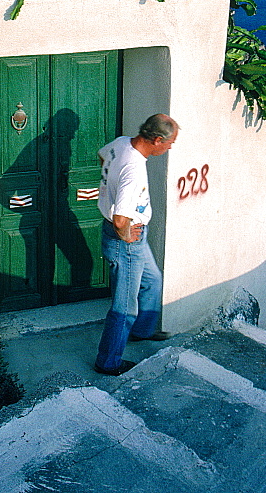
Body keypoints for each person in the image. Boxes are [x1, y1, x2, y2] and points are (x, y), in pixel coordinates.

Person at [94, 113, 179, 376]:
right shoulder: (133, 169)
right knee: (124, 307)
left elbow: (101, 154)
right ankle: (108, 362)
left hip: (130, 237)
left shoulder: (121, 143)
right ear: (156, 140)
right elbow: (121, 219)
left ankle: (141, 331)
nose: (171, 147)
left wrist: (110, 187)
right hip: (126, 241)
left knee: (152, 280)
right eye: (170, 142)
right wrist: (126, 235)